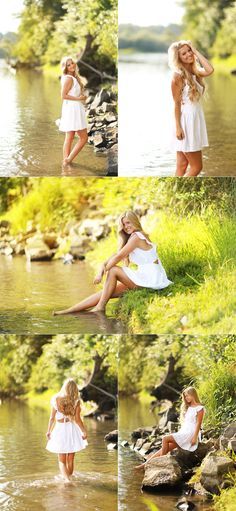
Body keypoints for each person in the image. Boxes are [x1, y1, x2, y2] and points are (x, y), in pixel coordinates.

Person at [53, 210, 172, 315]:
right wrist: (100, 271)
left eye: (128, 222)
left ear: (134, 221)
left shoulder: (137, 237)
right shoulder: (132, 238)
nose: (126, 226)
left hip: (151, 280)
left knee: (114, 270)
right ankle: (68, 311)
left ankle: (100, 307)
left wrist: (104, 273)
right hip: (145, 277)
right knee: (105, 292)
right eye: (124, 224)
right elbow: (111, 258)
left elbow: (119, 257)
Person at [168, 41, 214, 176]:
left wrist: (196, 51)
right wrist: (178, 127)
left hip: (195, 118)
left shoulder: (195, 71)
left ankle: (174, 194)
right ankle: (179, 194)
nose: (188, 54)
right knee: (197, 168)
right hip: (186, 121)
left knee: (182, 166)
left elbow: (210, 70)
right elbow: (176, 104)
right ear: (178, 58)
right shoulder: (178, 76)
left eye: (189, 51)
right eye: (184, 53)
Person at [135, 386, 205, 469]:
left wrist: (195, 437)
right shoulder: (188, 407)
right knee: (163, 449)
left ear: (193, 395)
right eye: (185, 396)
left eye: (188, 395)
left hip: (190, 434)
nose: (186, 398)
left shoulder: (200, 408)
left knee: (165, 438)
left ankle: (162, 463)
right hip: (184, 432)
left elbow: (198, 424)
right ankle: (144, 465)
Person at [46, 378, 88, 482]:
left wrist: (49, 431)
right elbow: (78, 420)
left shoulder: (56, 399)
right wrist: (84, 431)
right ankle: (69, 477)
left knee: (61, 460)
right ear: (75, 389)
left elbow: (51, 418)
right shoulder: (76, 401)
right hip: (72, 429)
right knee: (71, 458)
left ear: (64, 387)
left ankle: (67, 480)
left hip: (60, 429)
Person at [58, 56, 88, 166]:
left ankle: (65, 164)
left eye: (72, 63)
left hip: (72, 107)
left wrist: (80, 96)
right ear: (65, 67)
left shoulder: (71, 77)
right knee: (83, 138)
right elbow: (63, 95)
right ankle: (68, 160)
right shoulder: (69, 78)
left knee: (69, 137)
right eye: (68, 65)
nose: (71, 66)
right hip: (73, 108)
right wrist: (79, 98)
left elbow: (70, 93)